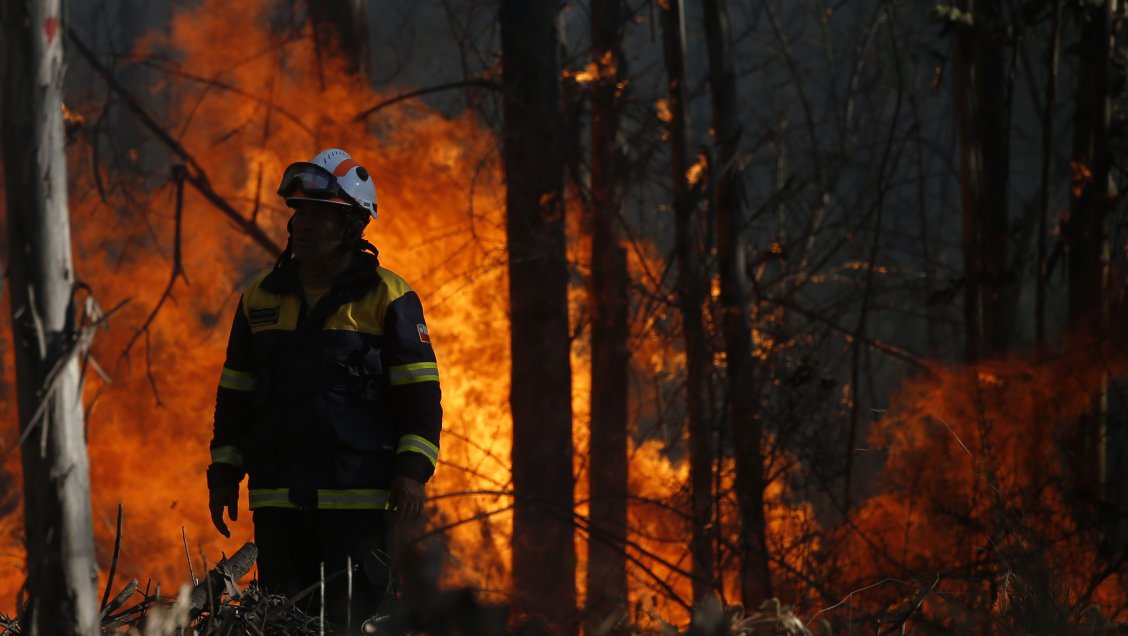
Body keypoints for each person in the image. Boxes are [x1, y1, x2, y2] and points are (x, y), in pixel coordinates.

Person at [206, 148, 442, 628]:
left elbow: (419, 397)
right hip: (277, 505)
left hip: (356, 508)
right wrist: (224, 471)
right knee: (279, 625)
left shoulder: (389, 298)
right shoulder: (259, 298)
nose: (304, 225)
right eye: (300, 213)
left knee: (352, 625)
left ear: (354, 228)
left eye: (322, 214)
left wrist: (413, 470)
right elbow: (235, 395)